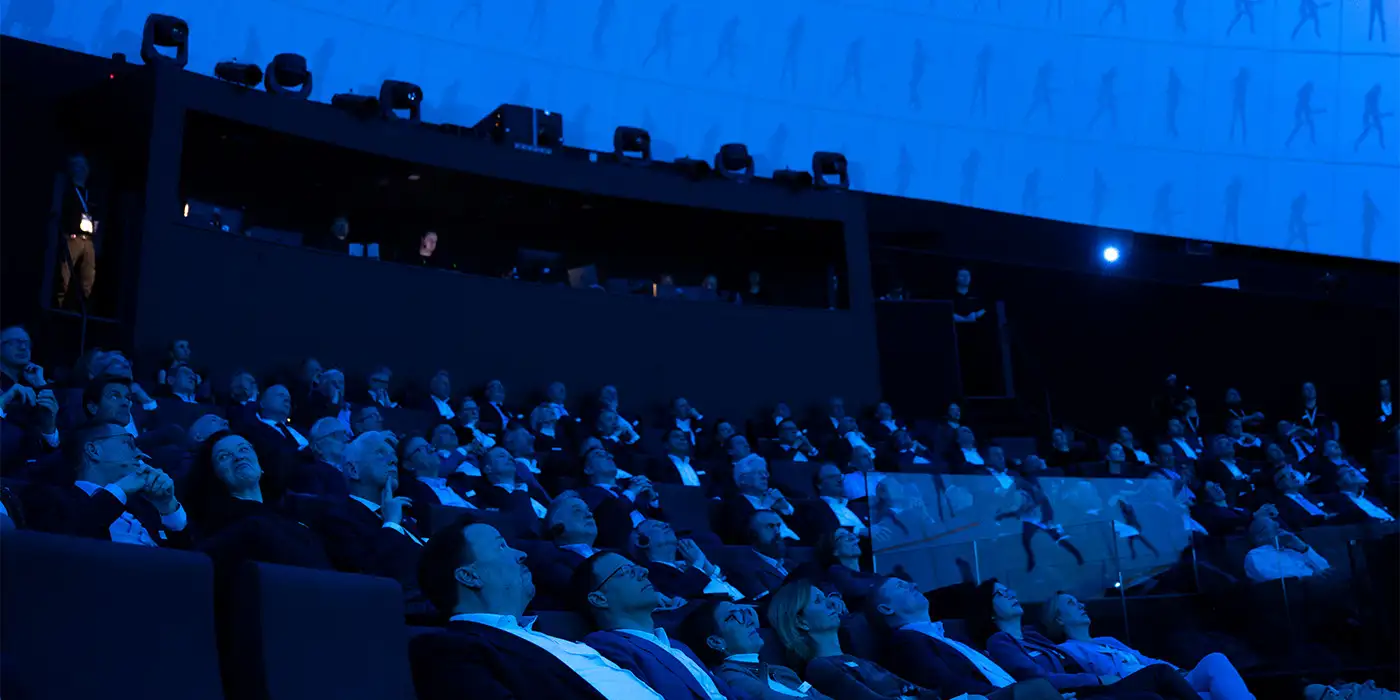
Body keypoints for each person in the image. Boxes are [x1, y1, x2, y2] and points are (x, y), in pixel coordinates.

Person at [411, 519, 666, 700]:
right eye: (501, 546)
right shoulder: (447, 650)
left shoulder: (550, 637)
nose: (521, 553)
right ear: (469, 576)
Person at [973, 580, 1201, 698]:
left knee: (1151, 695)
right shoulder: (1000, 641)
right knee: (1159, 674)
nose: (1011, 594)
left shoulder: (1034, 637)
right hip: (1079, 690)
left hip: (1087, 688)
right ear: (989, 611)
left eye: (1009, 590)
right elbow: (1038, 678)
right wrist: (1097, 679)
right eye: (1001, 594)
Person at [577, 551, 734, 700]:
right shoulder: (606, 647)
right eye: (627, 571)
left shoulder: (678, 646)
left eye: (638, 567)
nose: (644, 571)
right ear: (599, 599)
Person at [871, 577, 1060, 699]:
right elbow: (947, 685)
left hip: (1014, 691)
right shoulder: (906, 641)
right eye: (901, 586)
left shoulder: (951, 634)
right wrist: (1020, 693)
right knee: (1039, 689)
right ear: (887, 608)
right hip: (991, 697)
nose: (914, 585)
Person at [1043, 591, 1253, 699]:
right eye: (1071, 603)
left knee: (1215, 661)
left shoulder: (1107, 641)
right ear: (1059, 619)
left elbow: (1146, 659)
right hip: (1140, 688)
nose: (1081, 605)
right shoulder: (1068, 650)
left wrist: (1179, 671)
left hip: (1168, 678)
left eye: (1078, 601)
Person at [23, 419, 189, 548]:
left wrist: (167, 507)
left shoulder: (144, 505)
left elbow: (188, 559)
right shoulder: (49, 497)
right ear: (94, 450)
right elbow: (68, 542)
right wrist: (119, 490)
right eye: (128, 444)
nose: (141, 454)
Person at [767, 579, 941, 700]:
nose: (831, 603)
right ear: (801, 622)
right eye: (818, 601)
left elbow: (927, 693)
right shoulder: (819, 667)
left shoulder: (857, 659)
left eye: (826, 597)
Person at [185, 431, 331, 569]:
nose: (238, 457)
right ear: (215, 475)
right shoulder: (222, 525)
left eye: (243, 449)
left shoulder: (290, 515)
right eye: (224, 457)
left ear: (261, 464)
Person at [310, 431, 425, 596]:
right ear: (353, 470)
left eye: (393, 455)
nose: (394, 460)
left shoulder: (405, 515)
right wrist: (391, 523)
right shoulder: (337, 517)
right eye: (380, 453)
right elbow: (368, 571)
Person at [679, 600, 833, 699]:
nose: (747, 620)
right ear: (716, 642)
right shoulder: (729, 678)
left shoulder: (780, 670)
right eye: (733, 617)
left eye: (743, 612)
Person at [632, 519, 744, 601]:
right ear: (641, 541)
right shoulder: (649, 573)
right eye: (656, 526)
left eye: (664, 523)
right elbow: (683, 593)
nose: (667, 524)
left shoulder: (688, 564)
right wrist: (698, 563)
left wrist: (705, 563)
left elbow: (735, 591)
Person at [578, 446, 662, 548]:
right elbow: (611, 518)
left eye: (608, 454)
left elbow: (663, 522)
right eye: (599, 455)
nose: (609, 456)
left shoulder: (633, 491)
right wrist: (631, 492)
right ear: (588, 469)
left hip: (657, 540)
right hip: (627, 547)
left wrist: (653, 499)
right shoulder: (586, 495)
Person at [57, 153, 99, 308]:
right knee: (64, 274)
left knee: (88, 276)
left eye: (84, 168)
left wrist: (94, 231)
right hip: (73, 238)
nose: (82, 171)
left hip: (88, 240)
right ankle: (59, 305)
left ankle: (83, 307)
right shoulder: (68, 192)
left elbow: (95, 214)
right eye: (78, 167)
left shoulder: (89, 193)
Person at [725, 455, 799, 542]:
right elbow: (745, 536)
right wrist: (764, 508)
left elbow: (803, 532)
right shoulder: (734, 507)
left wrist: (785, 507)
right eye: (759, 473)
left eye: (765, 473)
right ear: (743, 479)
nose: (764, 476)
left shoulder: (775, 501)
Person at [726, 510, 793, 602]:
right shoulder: (744, 569)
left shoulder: (791, 564)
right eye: (770, 526)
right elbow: (767, 604)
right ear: (753, 534)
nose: (777, 531)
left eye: (778, 525)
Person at [1242, 513, 1330, 582]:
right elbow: (1274, 580)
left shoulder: (1291, 550)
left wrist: (1303, 548)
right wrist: (1309, 578)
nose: (1278, 526)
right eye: (1273, 526)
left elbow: (1325, 567)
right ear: (1260, 537)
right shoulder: (1255, 555)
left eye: (1278, 525)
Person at [797, 463, 870, 541]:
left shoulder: (858, 506)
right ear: (819, 485)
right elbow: (823, 530)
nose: (839, 480)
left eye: (840, 476)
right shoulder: (813, 508)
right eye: (832, 477)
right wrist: (858, 531)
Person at [289, 417, 350, 497]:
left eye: (346, 434)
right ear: (318, 446)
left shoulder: (353, 470)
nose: (346, 439)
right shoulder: (311, 475)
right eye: (337, 435)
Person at [1323, 466, 1394, 524]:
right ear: (1338, 482)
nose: (1352, 472)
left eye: (1352, 470)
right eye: (1346, 472)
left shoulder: (1373, 499)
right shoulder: (1336, 500)